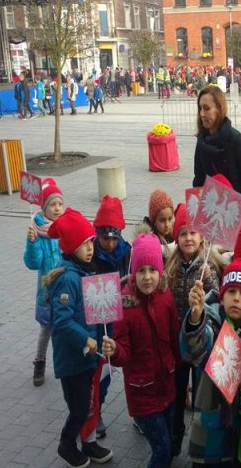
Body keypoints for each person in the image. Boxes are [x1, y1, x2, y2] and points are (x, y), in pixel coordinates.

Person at [102, 234, 180, 468]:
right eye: (141, 270)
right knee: (162, 450)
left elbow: (174, 338)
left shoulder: (165, 296)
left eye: (153, 270)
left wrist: (179, 369)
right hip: (142, 392)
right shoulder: (125, 305)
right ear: (133, 272)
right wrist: (114, 350)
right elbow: (123, 354)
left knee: (168, 443)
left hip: (167, 384)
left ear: (160, 271)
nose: (147, 277)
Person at [43, 208, 113, 468]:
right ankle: (67, 444)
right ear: (71, 247)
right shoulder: (68, 279)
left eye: (90, 242)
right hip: (73, 360)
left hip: (89, 356)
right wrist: (86, 339)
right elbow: (61, 321)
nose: (90, 248)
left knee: (91, 403)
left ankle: (89, 442)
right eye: (83, 244)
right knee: (80, 407)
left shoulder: (86, 271)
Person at [181, 258, 241, 466]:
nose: (236, 299)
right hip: (211, 435)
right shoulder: (212, 323)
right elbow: (195, 349)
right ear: (222, 295)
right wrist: (195, 318)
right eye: (231, 292)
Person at [164, 203, 221, 457]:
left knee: (200, 397)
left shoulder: (208, 266)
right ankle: (174, 437)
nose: (188, 238)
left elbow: (217, 300)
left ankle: (199, 443)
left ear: (202, 237)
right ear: (177, 237)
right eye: (183, 233)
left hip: (199, 345)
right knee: (177, 394)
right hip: (178, 345)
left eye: (193, 233)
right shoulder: (171, 267)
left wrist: (208, 279)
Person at [91, 195, 131, 438]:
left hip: (123, 319)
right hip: (99, 322)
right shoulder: (90, 253)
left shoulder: (128, 252)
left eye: (113, 238)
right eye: (105, 238)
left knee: (132, 368)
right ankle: (95, 411)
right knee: (101, 372)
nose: (109, 243)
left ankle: (141, 413)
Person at [23, 178, 64, 386]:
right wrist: (32, 243)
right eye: (52, 205)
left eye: (60, 204)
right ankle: (39, 362)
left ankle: (64, 363)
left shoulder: (65, 227)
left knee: (65, 326)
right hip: (47, 291)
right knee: (46, 329)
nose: (57, 209)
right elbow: (33, 263)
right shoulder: (36, 232)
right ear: (44, 208)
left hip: (64, 289)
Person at [192, 84, 241, 198]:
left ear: (219, 109)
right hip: (211, 210)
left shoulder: (236, 140)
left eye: (207, 108)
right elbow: (198, 180)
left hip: (238, 210)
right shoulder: (201, 141)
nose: (202, 113)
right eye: (200, 108)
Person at [140, 189, 175, 260]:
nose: (167, 225)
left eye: (170, 219)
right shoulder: (148, 243)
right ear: (154, 221)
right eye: (162, 220)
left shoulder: (173, 236)